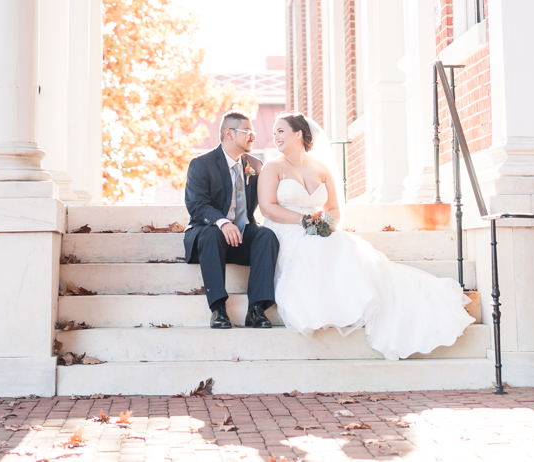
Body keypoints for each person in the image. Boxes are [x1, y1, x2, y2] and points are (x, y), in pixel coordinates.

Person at [257, 111, 474, 360]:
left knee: (344, 243)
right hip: (285, 228)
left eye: (280, 131)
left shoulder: (321, 168)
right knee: (311, 251)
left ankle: (362, 301)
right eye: (274, 133)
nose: (275, 137)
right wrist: (303, 221)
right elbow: (268, 208)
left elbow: (334, 209)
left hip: (316, 228)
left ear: (298, 133)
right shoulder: (273, 167)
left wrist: (327, 225)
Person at [184, 110, 279, 329]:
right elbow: (197, 205)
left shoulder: (255, 166)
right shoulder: (201, 164)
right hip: (208, 237)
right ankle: (218, 308)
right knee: (211, 233)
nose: (253, 136)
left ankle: (256, 309)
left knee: (266, 236)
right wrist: (222, 222)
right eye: (248, 131)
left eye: (253, 131)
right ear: (229, 133)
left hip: (241, 236)